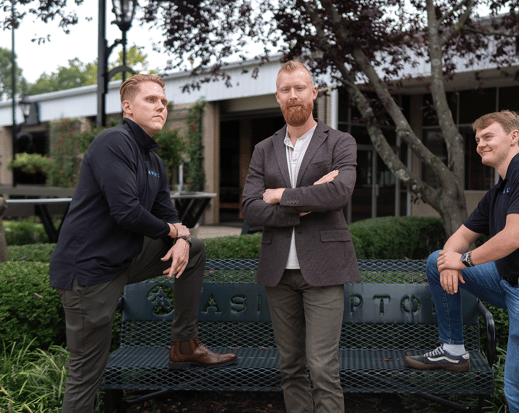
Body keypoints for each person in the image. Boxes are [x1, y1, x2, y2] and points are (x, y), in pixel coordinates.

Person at [49, 74, 237, 413]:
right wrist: (175, 231)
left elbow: (169, 215)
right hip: (89, 273)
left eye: (164, 102)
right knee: (86, 375)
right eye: (151, 100)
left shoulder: (153, 161)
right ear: (128, 107)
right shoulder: (112, 142)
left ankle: (183, 344)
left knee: (193, 249)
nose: (161, 106)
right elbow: (127, 213)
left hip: (124, 261)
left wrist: (181, 238)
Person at [405, 110, 519, 413]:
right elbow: (457, 240)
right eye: (477, 139)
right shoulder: (497, 192)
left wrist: (464, 260)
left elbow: (512, 238)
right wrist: (449, 262)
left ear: (514, 137)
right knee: (437, 260)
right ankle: (453, 350)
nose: (480, 144)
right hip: (509, 284)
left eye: (488, 136)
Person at [241, 61, 360, 413]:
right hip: (278, 272)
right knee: (290, 368)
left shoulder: (340, 141)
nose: (293, 96)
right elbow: (250, 209)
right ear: (277, 97)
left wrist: (280, 195)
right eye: (285, 90)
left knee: (323, 368)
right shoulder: (264, 149)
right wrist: (308, 201)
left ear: (314, 93)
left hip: (324, 270)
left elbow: (338, 194)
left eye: (299, 88)